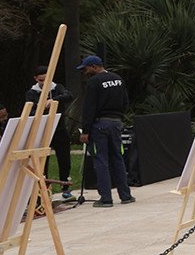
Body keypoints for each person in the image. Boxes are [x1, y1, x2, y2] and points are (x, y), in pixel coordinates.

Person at [76, 55, 134, 207]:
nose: (85, 72)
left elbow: (89, 107)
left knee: (101, 160)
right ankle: (126, 195)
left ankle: (106, 198)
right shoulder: (118, 78)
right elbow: (125, 101)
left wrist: (86, 131)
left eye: (86, 68)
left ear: (94, 66)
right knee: (117, 158)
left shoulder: (93, 82)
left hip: (99, 124)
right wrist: (119, 117)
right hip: (116, 123)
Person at [27, 66, 76, 198]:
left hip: (59, 129)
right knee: (43, 160)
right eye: (41, 80)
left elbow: (69, 95)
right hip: (42, 131)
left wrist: (54, 100)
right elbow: (29, 109)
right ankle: (44, 188)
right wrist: (41, 106)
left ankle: (66, 187)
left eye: (46, 79)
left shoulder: (57, 88)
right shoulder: (32, 93)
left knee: (64, 158)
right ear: (36, 79)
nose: (44, 82)